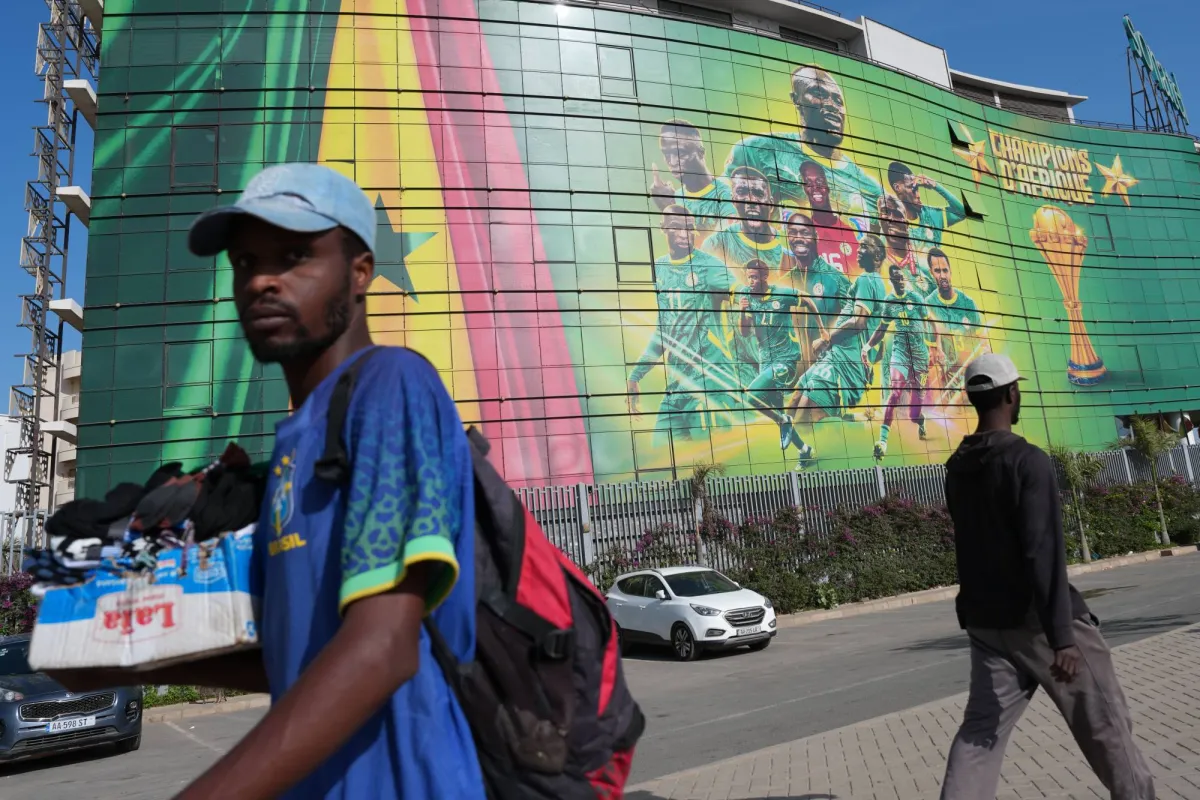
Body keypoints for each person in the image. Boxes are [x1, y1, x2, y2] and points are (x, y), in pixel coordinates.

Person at [51, 164, 488, 799]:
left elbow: (383, 649)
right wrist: (121, 660)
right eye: (245, 261)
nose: (261, 280)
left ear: (360, 271)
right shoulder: (291, 447)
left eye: (294, 255)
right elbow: (294, 658)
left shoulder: (391, 388)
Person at [940, 353, 1155, 800]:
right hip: (1041, 623)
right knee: (1107, 728)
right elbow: (1043, 551)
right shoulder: (1027, 461)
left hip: (987, 623)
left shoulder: (957, 467)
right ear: (1010, 394)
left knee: (981, 734)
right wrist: (1063, 638)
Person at [779, 234, 889, 468]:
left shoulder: (868, 280)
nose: (858, 251)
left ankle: (808, 461)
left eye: (865, 247)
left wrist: (827, 339)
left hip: (843, 362)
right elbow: (877, 336)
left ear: (877, 255)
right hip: (838, 357)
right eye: (859, 247)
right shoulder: (875, 283)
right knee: (797, 395)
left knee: (808, 407)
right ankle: (802, 447)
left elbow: (859, 322)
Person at [628, 205, 738, 438]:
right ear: (663, 229)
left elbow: (744, 294)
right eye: (677, 228)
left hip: (709, 384)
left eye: (689, 228)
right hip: (677, 387)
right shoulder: (659, 268)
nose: (684, 234)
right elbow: (664, 329)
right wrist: (635, 375)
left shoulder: (709, 266)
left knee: (709, 461)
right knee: (665, 451)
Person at [724, 66, 881, 230]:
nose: (832, 105)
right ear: (796, 99)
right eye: (820, 94)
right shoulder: (757, 149)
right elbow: (722, 202)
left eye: (838, 101)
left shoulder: (870, 188)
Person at [861, 261, 941, 460]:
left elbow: (931, 322)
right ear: (892, 281)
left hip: (919, 358)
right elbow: (882, 328)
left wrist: (934, 346)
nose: (901, 281)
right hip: (900, 354)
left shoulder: (915, 297)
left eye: (903, 278)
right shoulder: (889, 302)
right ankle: (882, 442)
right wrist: (867, 346)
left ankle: (920, 422)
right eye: (897, 279)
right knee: (895, 392)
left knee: (914, 414)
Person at [733, 259, 809, 438]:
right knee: (779, 413)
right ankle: (803, 449)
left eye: (754, 277)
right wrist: (742, 311)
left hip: (785, 359)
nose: (750, 281)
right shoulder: (746, 296)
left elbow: (807, 300)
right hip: (765, 360)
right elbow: (744, 333)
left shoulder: (781, 294)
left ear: (765, 277)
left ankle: (784, 421)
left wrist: (820, 329)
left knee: (752, 397)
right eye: (748, 277)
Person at [780, 210, 849, 363]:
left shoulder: (835, 279)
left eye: (804, 233)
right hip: (797, 373)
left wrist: (829, 339)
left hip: (829, 368)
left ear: (816, 237)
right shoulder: (784, 282)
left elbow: (857, 322)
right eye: (792, 233)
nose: (798, 238)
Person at [649, 119, 736, 232]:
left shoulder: (727, 195)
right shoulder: (676, 198)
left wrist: (670, 207)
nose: (673, 161)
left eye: (681, 153)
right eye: (666, 154)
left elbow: (718, 246)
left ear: (701, 153)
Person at [702, 166, 788, 274]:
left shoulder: (789, 245)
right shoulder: (716, 244)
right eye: (742, 192)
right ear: (734, 201)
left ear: (771, 204)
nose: (751, 200)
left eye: (758, 193)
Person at [924, 248, 983, 396]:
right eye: (937, 271)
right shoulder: (928, 306)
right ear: (931, 273)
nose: (943, 275)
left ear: (951, 271)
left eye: (945, 270)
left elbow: (983, 342)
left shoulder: (968, 304)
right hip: (947, 388)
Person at [886, 161, 967, 257]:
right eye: (912, 188)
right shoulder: (891, 223)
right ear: (897, 187)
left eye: (917, 189)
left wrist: (935, 186)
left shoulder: (931, 214)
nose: (918, 195)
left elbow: (962, 212)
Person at [799, 160, 861, 277]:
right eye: (808, 183)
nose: (815, 187)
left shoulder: (848, 232)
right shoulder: (805, 234)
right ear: (804, 189)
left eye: (819, 181)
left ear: (827, 187)